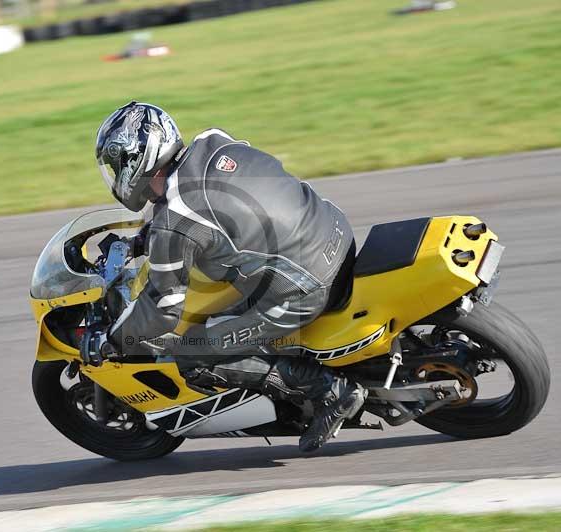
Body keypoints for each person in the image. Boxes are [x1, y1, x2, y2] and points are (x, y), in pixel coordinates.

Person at [92, 101, 364, 452]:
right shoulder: (212, 141)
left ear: (136, 162)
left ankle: (330, 391)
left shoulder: (176, 222)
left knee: (190, 351)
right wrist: (147, 240)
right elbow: (222, 210)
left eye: (116, 167)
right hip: (334, 229)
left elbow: (162, 310)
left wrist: (113, 341)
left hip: (306, 285)